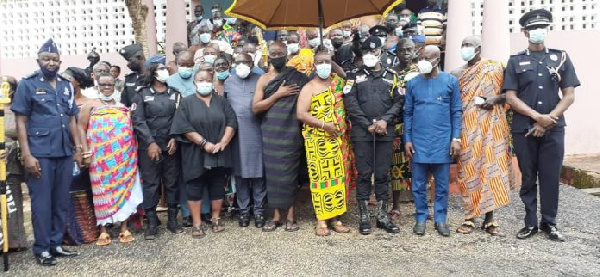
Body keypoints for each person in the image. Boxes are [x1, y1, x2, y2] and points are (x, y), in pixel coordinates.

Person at [503, 9, 579, 242]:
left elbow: (569, 95)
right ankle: (529, 223)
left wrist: (548, 119)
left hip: (553, 128)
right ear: (524, 32)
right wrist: (537, 117)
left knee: (549, 176)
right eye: (533, 28)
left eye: (541, 28)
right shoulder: (515, 61)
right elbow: (510, 97)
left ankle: (550, 223)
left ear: (547, 30)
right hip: (524, 129)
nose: (537, 32)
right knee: (528, 177)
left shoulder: (561, 58)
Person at [12, 39, 83, 266]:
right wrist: (27, 154)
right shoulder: (27, 85)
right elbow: (21, 122)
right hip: (40, 153)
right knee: (42, 203)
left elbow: (72, 119)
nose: (51, 62)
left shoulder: (66, 85)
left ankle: (56, 243)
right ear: (38, 61)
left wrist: (78, 149)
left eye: (54, 59)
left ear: (60, 62)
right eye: (46, 59)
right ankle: (41, 248)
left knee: (61, 201)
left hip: (63, 152)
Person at [450, 36, 514, 235]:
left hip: (492, 127)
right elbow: (453, 104)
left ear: (478, 48)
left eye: (469, 45)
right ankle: (469, 217)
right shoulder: (456, 74)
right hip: (467, 129)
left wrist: (495, 99)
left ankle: (490, 219)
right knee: (468, 171)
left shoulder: (496, 68)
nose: (465, 49)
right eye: (463, 45)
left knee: (492, 169)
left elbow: (511, 94)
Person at [343, 36, 402, 235]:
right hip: (362, 133)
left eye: (373, 52)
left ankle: (382, 216)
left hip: (385, 131)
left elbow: (399, 101)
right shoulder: (353, 76)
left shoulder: (392, 76)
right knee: (364, 174)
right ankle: (364, 217)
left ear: (381, 53)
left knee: (383, 174)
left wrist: (385, 120)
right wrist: (367, 124)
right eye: (366, 52)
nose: (369, 55)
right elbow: (350, 102)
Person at [170, 69, 238, 238]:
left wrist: (223, 142)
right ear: (194, 83)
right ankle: (196, 223)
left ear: (213, 82)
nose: (204, 82)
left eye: (208, 79)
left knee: (217, 184)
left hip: (219, 150)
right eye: (200, 80)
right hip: (195, 151)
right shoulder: (186, 103)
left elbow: (232, 121)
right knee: (194, 186)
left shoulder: (221, 102)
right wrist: (203, 143)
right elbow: (184, 127)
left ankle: (215, 219)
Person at [79, 73, 143, 246]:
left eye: (110, 84)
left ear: (115, 85)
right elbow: (80, 127)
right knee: (102, 191)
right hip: (100, 160)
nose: (107, 87)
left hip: (124, 157)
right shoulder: (90, 106)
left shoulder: (122, 107)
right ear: (97, 85)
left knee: (124, 188)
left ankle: (124, 227)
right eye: (103, 84)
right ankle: (103, 229)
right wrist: (84, 152)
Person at [404, 45, 461, 237]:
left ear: (437, 60)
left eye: (427, 58)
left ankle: (440, 219)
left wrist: (455, 138)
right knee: (418, 184)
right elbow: (408, 113)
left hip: (442, 141)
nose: (423, 62)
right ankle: (421, 218)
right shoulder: (412, 83)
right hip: (418, 142)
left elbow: (456, 112)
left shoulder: (450, 81)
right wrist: (407, 139)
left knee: (442, 185)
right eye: (421, 58)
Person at [252, 42, 309, 232]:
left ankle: (291, 217)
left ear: (287, 55)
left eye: (280, 53)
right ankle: (276, 216)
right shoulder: (264, 79)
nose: (276, 56)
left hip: (291, 131)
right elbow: (255, 108)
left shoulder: (299, 77)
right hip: (270, 132)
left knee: (290, 174)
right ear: (269, 55)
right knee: (273, 175)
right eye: (273, 53)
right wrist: (277, 95)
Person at [297, 50, 353, 236]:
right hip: (318, 141)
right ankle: (322, 220)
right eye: (319, 62)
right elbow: (301, 113)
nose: (324, 65)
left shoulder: (338, 83)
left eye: (327, 61)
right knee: (322, 179)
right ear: (314, 66)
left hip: (339, 140)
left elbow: (347, 77)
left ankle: (336, 218)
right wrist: (323, 125)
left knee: (339, 179)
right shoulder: (309, 87)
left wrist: (335, 65)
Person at [132, 62, 183, 240]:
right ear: (154, 73)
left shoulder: (175, 94)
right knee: (152, 184)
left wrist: (175, 138)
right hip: (150, 146)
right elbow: (138, 120)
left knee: (171, 182)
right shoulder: (142, 94)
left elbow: (179, 118)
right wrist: (150, 143)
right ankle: (152, 223)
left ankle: (172, 220)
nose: (165, 72)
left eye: (165, 69)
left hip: (170, 145)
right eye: (161, 69)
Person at [225, 53, 267, 228]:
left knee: (259, 173)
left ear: (252, 64)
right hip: (237, 135)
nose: (241, 65)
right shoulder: (229, 82)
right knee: (241, 174)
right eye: (238, 62)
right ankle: (243, 211)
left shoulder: (261, 79)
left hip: (258, 133)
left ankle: (258, 211)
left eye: (245, 62)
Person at [61, 67, 100, 245]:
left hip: (84, 151)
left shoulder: (90, 102)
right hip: (62, 150)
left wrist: (84, 152)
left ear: (77, 82)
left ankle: (87, 232)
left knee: (84, 190)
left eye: (68, 78)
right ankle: (67, 234)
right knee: (63, 193)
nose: (64, 81)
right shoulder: (57, 101)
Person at [389, 38, 420, 218]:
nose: (406, 54)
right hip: (397, 124)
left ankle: (421, 205)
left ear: (415, 51)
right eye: (402, 50)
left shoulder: (420, 72)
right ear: (397, 52)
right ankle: (396, 205)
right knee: (397, 165)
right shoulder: (391, 73)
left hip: (418, 124)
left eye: (410, 50)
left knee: (420, 163)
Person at [0, 76, 27, 251]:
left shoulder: (17, 110)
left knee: (13, 200)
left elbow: (23, 134)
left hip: (11, 163)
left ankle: (15, 241)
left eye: (8, 86)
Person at [119, 43, 146, 108]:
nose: (127, 64)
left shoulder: (154, 76)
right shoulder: (129, 79)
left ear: (139, 57)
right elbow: (124, 104)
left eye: (129, 60)